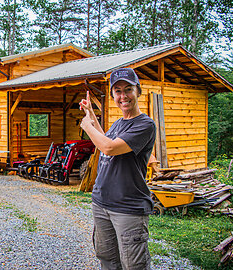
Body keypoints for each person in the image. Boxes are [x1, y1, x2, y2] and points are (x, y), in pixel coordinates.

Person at [79, 68, 156, 270]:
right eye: (118, 91)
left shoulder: (145, 125)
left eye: (128, 89)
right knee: (108, 260)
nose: (123, 96)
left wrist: (86, 126)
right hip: (102, 203)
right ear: (113, 95)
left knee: (133, 265)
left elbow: (109, 147)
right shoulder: (119, 123)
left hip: (128, 207)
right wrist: (91, 115)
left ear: (138, 91)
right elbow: (104, 139)